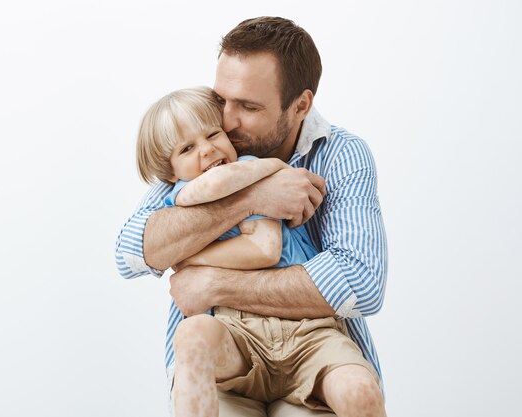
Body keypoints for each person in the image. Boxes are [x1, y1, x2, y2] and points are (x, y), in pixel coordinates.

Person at [115, 16, 388, 417]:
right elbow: (132, 253)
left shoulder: (341, 155)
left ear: (300, 105)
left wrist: (210, 283)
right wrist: (252, 196)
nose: (225, 121)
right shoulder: (205, 154)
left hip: (311, 350)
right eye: (221, 99)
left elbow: (360, 283)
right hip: (227, 354)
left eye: (248, 106)